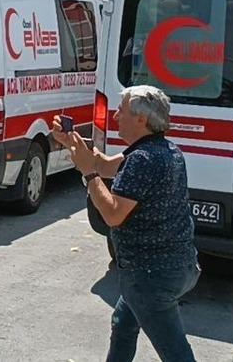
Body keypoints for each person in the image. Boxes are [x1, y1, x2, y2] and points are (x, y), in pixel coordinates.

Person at [53, 85, 199, 362]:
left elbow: (113, 215)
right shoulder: (162, 149)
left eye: (122, 110)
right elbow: (108, 165)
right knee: (123, 324)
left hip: (151, 276)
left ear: (141, 120)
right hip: (178, 266)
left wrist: (89, 174)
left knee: (176, 353)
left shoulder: (142, 160)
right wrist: (71, 142)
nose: (116, 115)